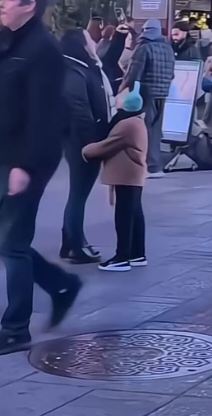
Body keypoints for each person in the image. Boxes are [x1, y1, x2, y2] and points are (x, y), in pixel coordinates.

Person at [0, 0, 81, 354]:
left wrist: (24, 166)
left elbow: (43, 116)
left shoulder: (42, 50)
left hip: (27, 159)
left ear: (29, 6)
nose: (2, 3)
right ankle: (59, 284)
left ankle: (16, 328)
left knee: (13, 242)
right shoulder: (7, 40)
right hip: (5, 153)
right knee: (6, 239)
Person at [60, 28, 113, 263]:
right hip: (82, 140)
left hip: (86, 137)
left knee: (79, 192)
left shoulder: (83, 67)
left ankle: (70, 241)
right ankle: (75, 245)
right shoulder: (72, 70)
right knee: (79, 193)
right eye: (90, 39)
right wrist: (92, 142)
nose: (94, 42)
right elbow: (78, 109)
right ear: (80, 44)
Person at [82, 86, 148, 271]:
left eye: (120, 98)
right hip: (133, 174)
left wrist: (85, 150)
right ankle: (137, 254)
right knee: (134, 213)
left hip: (126, 175)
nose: (116, 99)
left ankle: (122, 257)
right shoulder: (137, 121)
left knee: (124, 215)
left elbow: (106, 145)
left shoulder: (126, 124)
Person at [122, 20, 175, 177]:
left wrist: (123, 88)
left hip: (145, 93)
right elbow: (172, 73)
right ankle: (155, 165)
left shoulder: (143, 48)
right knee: (156, 130)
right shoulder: (168, 48)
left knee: (143, 130)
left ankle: (147, 166)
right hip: (163, 93)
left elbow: (134, 73)